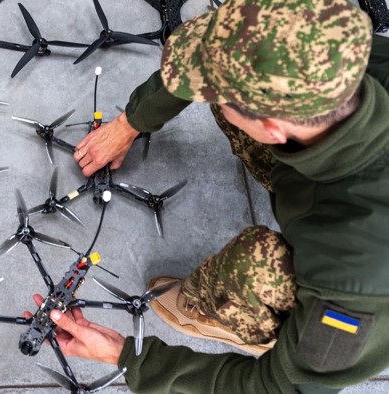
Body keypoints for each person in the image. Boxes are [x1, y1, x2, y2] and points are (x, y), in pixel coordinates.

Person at [37, 0, 389, 392]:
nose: (209, 100)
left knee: (256, 267)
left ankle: (213, 307)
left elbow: (279, 388)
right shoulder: (334, 51)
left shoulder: (355, 276)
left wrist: (130, 358)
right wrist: (129, 123)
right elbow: (217, 52)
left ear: (274, 129)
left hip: (367, 274)